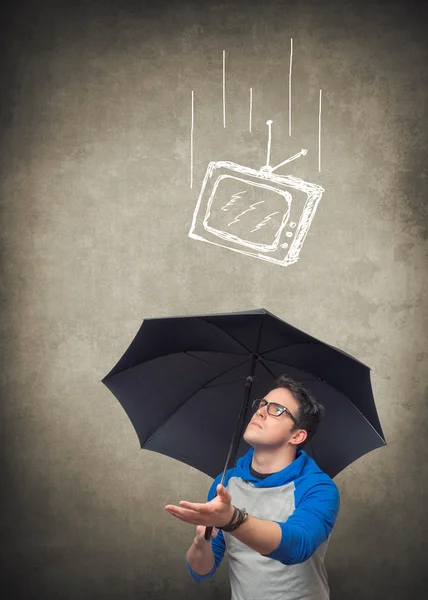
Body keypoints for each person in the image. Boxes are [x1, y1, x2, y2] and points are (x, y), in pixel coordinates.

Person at [165, 375, 340, 600]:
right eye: (262, 404)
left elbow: (298, 545)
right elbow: (201, 572)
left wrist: (232, 519)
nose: (260, 411)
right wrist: (202, 540)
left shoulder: (319, 488)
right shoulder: (225, 484)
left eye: (277, 409)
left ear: (297, 435)